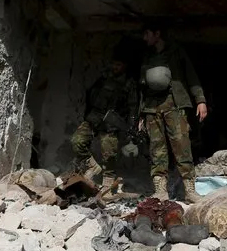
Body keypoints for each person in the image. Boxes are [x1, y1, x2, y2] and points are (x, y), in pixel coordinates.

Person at [139, 22, 208, 204]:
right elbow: (141, 85)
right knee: (156, 149)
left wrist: (200, 100)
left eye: (147, 33)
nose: (144, 38)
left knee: (181, 146)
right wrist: (140, 113)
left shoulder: (176, 52)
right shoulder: (147, 56)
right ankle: (160, 191)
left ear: (157, 33)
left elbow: (191, 75)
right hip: (152, 107)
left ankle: (190, 191)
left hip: (174, 104)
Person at [71, 44, 138, 195]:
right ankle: (92, 165)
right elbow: (92, 94)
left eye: (118, 65)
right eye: (114, 64)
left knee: (109, 152)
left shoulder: (129, 83)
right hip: (94, 118)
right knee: (77, 141)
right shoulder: (104, 78)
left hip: (112, 123)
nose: (115, 67)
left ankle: (108, 182)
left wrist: (131, 127)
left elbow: (133, 106)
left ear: (125, 66)